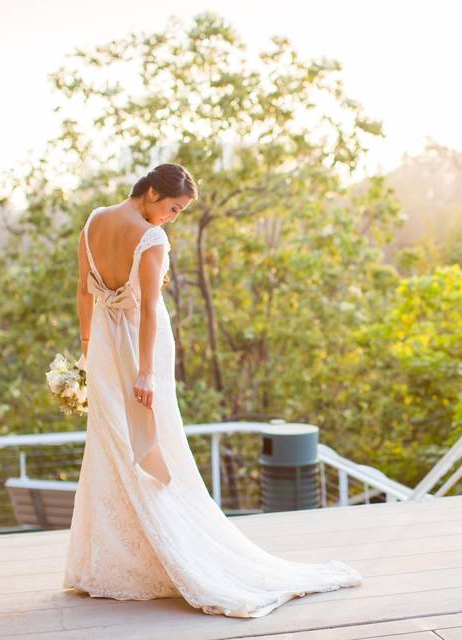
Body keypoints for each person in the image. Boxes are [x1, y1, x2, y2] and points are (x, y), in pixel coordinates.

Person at [63, 162, 363, 617]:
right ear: (149, 192)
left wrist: (88, 349)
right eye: (172, 207)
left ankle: (114, 562)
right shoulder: (151, 238)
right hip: (140, 349)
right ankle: (157, 556)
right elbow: (146, 310)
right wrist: (144, 372)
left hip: (104, 346)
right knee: (148, 443)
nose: (172, 218)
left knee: (115, 445)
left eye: (179, 211)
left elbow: (85, 293)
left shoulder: (94, 222)